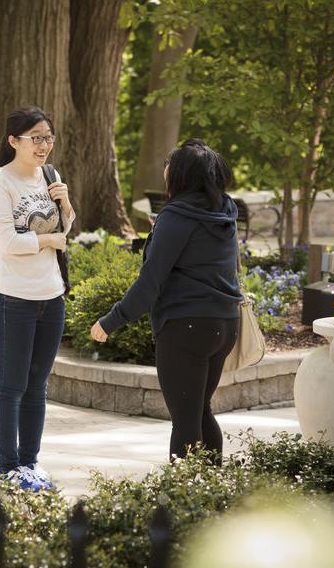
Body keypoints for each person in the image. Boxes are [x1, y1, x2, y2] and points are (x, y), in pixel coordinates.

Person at [90, 138, 242, 462]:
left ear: (182, 175)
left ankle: (182, 502)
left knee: (186, 421)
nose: (165, 172)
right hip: (224, 323)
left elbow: (150, 282)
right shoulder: (224, 210)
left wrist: (110, 321)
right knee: (200, 411)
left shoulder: (176, 217)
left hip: (186, 326)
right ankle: (214, 494)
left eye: (169, 167)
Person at [0, 106, 75, 491]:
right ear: (13, 141)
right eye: (35, 137)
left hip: (51, 295)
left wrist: (66, 204)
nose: (44, 145)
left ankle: (29, 464)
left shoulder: (50, 176)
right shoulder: (0, 181)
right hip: (13, 298)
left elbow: (65, 227)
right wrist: (48, 241)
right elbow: (6, 242)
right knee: (12, 385)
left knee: (38, 385)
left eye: (48, 138)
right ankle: (8, 468)